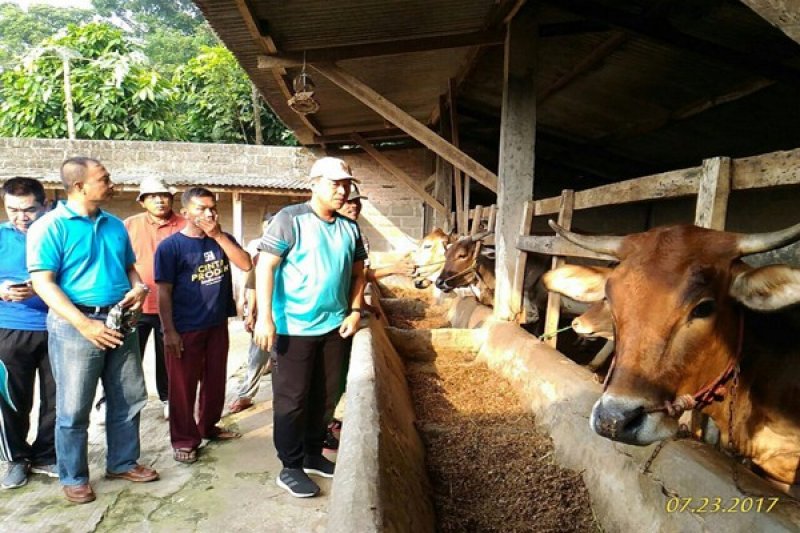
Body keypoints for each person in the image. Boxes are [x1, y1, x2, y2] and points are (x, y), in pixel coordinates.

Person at [27, 157, 158, 505]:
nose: (112, 183)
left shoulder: (115, 225)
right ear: (79, 186)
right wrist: (85, 325)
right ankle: (74, 476)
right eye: (104, 178)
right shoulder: (50, 227)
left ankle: (122, 462)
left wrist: (138, 287)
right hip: (75, 326)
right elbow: (43, 283)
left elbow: (129, 268)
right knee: (73, 408)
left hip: (121, 320)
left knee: (129, 397)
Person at [253, 156, 368, 498]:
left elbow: (360, 272)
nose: (342, 190)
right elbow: (266, 267)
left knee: (327, 394)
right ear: (314, 183)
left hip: (335, 326)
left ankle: (313, 454)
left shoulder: (349, 226)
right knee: (293, 400)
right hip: (294, 328)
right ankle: (289, 466)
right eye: (335, 184)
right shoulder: (291, 219)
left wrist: (355, 310)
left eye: (346, 183)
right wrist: (264, 317)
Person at [155, 187, 252, 464]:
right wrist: (169, 331)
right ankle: (184, 439)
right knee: (183, 387)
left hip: (216, 323)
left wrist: (218, 235)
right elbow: (163, 291)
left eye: (212, 208)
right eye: (201, 208)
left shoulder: (221, 239)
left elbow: (246, 264)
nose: (208, 214)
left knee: (215, 381)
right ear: (185, 213)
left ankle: (208, 427)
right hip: (185, 327)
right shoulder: (171, 247)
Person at [323, 184, 414, 450]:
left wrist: (361, 304)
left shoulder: (355, 232)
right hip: (332, 313)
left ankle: (326, 420)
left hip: (347, 312)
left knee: (338, 375)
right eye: (349, 202)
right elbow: (355, 274)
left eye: (357, 203)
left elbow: (358, 277)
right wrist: (394, 268)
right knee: (327, 378)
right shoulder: (333, 231)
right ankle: (321, 427)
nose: (353, 206)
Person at [0, 177, 56, 489]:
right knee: (11, 399)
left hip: (57, 326)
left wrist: (40, 288)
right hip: (9, 330)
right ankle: (17, 458)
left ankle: (47, 454)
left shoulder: (57, 234)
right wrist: (2, 290)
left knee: (58, 398)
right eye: (13, 210)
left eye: (29, 209)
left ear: (44, 204)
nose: (21, 216)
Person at [123, 176, 185, 419]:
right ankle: (120, 401)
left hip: (172, 306)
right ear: (142, 201)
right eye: (152, 196)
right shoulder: (128, 225)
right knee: (127, 357)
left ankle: (169, 398)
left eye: (164, 196)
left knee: (169, 355)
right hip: (137, 305)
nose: (159, 200)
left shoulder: (185, 225)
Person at [229, 213, 275, 414]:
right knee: (257, 354)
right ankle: (246, 394)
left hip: (293, 315)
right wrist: (251, 313)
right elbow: (254, 285)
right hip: (266, 314)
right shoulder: (261, 254)